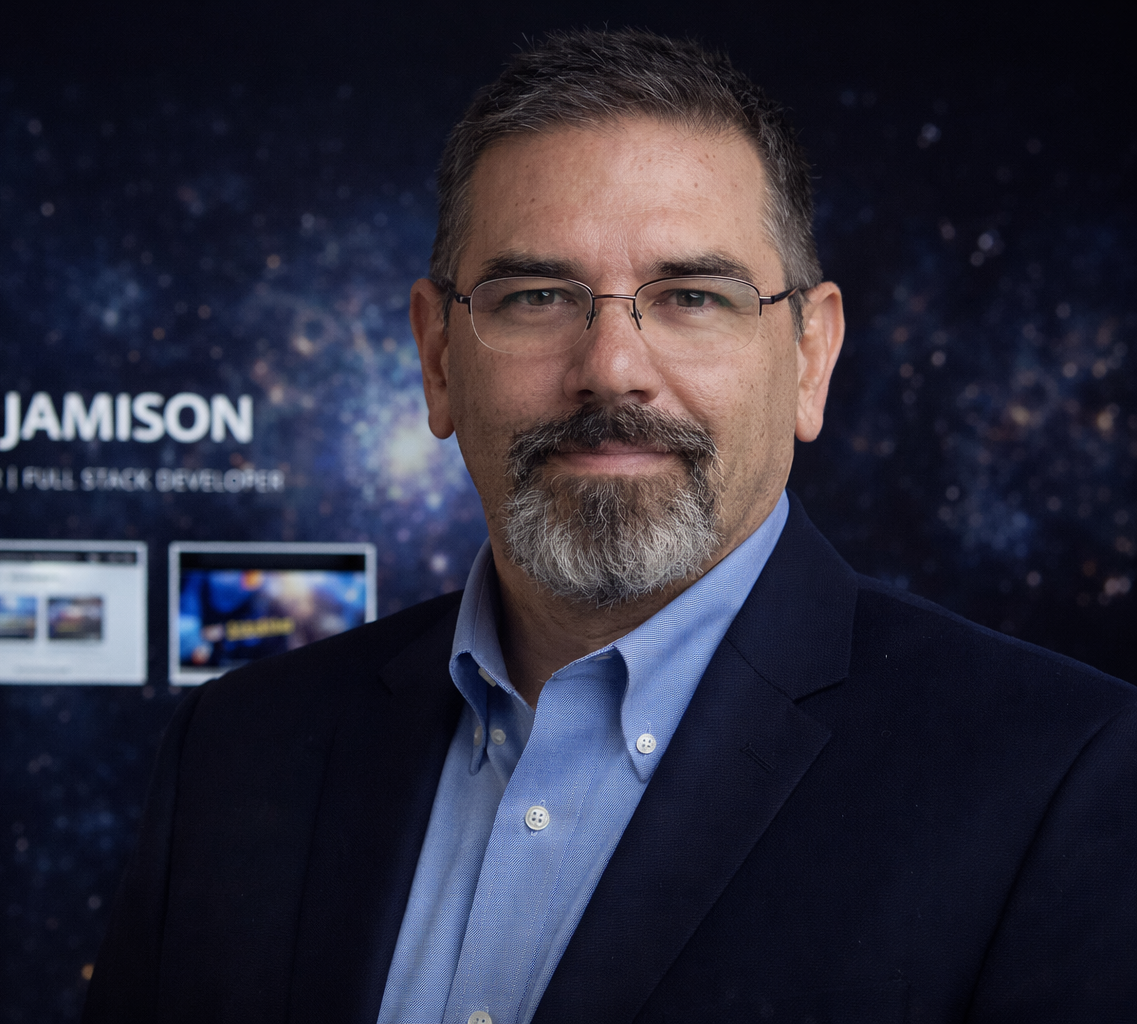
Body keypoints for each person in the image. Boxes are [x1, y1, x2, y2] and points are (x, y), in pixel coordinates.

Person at [83, 29, 1136, 1024]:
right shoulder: (237, 755)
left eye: (692, 297)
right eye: (538, 295)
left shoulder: (1058, 778)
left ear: (810, 358)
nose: (612, 367)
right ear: (438, 357)